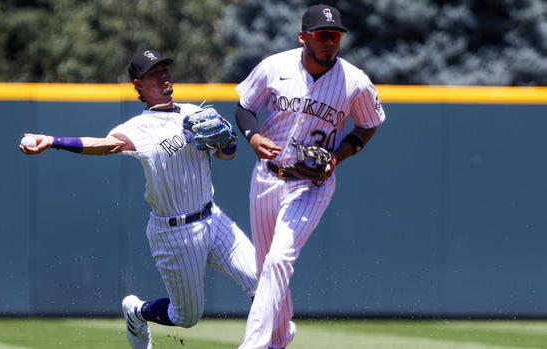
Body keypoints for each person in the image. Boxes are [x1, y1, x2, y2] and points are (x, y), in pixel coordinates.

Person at [19, 49, 257, 349]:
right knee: (186, 317)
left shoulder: (193, 113)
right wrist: (54, 141)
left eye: (164, 69)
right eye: (153, 73)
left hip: (213, 218)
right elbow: (105, 145)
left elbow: (226, 155)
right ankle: (137, 311)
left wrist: (228, 140)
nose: (163, 75)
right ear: (139, 84)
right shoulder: (137, 128)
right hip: (174, 233)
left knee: (264, 283)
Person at [233, 4, 386, 349]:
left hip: (311, 185)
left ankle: (254, 345)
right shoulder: (275, 67)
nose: (330, 42)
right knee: (266, 270)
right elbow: (244, 106)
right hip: (266, 178)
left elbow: (368, 125)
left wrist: (338, 157)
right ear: (304, 37)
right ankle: (281, 335)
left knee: (278, 259)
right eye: (322, 36)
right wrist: (253, 137)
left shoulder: (355, 81)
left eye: (335, 36)